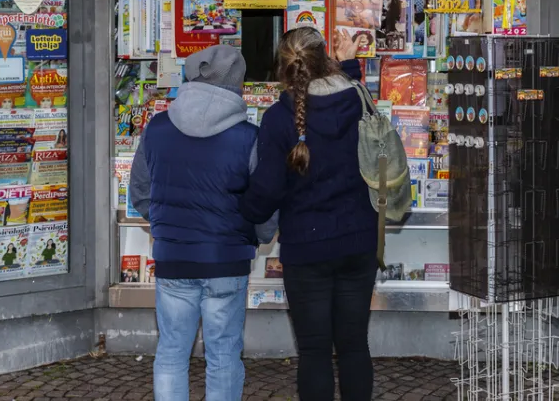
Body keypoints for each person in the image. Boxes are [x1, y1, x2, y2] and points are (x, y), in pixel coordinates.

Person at [128, 45, 277, 401]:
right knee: (224, 356)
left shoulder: (158, 128)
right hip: (227, 259)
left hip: (173, 260)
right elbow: (265, 206)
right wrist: (258, 237)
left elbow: (140, 193)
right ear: (238, 85)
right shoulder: (249, 137)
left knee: (171, 353)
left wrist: (167, 226)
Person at [240, 27, 378, 401]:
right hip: (358, 242)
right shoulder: (359, 99)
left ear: (283, 69)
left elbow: (266, 192)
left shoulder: (279, 118)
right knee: (354, 346)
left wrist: (241, 210)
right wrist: (349, 63)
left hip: (307, 248)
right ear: (324, 60)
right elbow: (345, 96)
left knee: (314, 351)